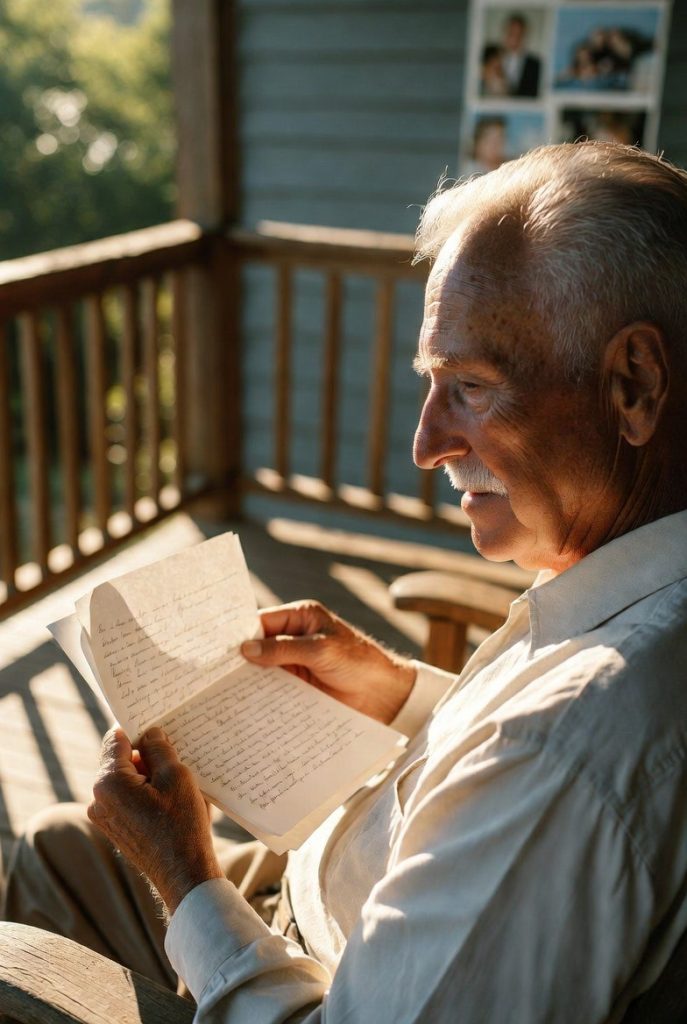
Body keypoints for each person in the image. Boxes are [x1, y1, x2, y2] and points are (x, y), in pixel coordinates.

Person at [5, 141, 687, 1022]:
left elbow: (541, 767)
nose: (427, 444)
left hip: (314, 973)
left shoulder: (567, 751)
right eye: (429, 383)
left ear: (633, 384)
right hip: (337, 892)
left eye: (470, 387)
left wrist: (183, 877)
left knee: (28, 921)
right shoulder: (629, 600)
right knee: (62, 842)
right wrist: (396, 692)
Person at [499, 13, 541, 97]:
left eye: (519, 34)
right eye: (511, 33)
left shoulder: (536, 64)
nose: (515, 39)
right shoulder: (493, 60)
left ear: (525, 36)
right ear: (504, 33)